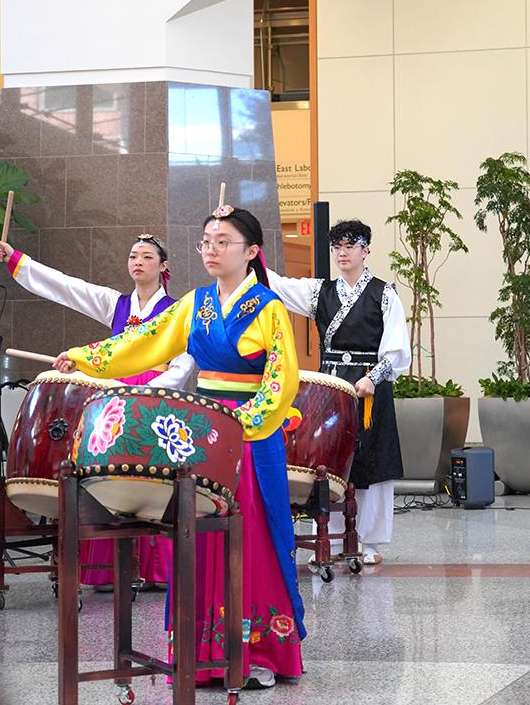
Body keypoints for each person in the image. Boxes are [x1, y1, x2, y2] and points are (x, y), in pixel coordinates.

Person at [54, 206, 305, 689]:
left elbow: (281, 380)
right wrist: (84, 357)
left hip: (250, 438)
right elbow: (142, 342)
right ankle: (201, 653)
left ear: (251, 251)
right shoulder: (195, 303)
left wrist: (241, 424)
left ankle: (257, 653)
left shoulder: (269, 307)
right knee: (199, 537)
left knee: (251, 537)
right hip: (206, 432)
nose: (211, 249)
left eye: (223, 241)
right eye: (206, 241)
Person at [0, 236, 194, 590]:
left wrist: (147, 392)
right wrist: (17, 261)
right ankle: (108, 570)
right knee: (106, 480)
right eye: (133, 255)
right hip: (114, 401)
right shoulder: (116, 304)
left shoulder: (177, 312)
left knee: (151, 483)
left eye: (147, 256)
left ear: (164, 266)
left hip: (155, 403)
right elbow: (68, 288)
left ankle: (156, 570)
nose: (138, 261)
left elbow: (184, 364)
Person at [267, 219, 410, 566]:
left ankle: (370, 542)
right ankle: (328, 539)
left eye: (350, 246)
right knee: (329, 460)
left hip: (369, 387)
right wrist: (247, 254)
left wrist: (374, 377)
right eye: (337, 247)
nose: (342, 253)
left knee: (371, 461)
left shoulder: (384, 293)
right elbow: (278, 285)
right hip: (331, 386)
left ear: (366, 250)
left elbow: (397, 348)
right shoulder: (321, 291)